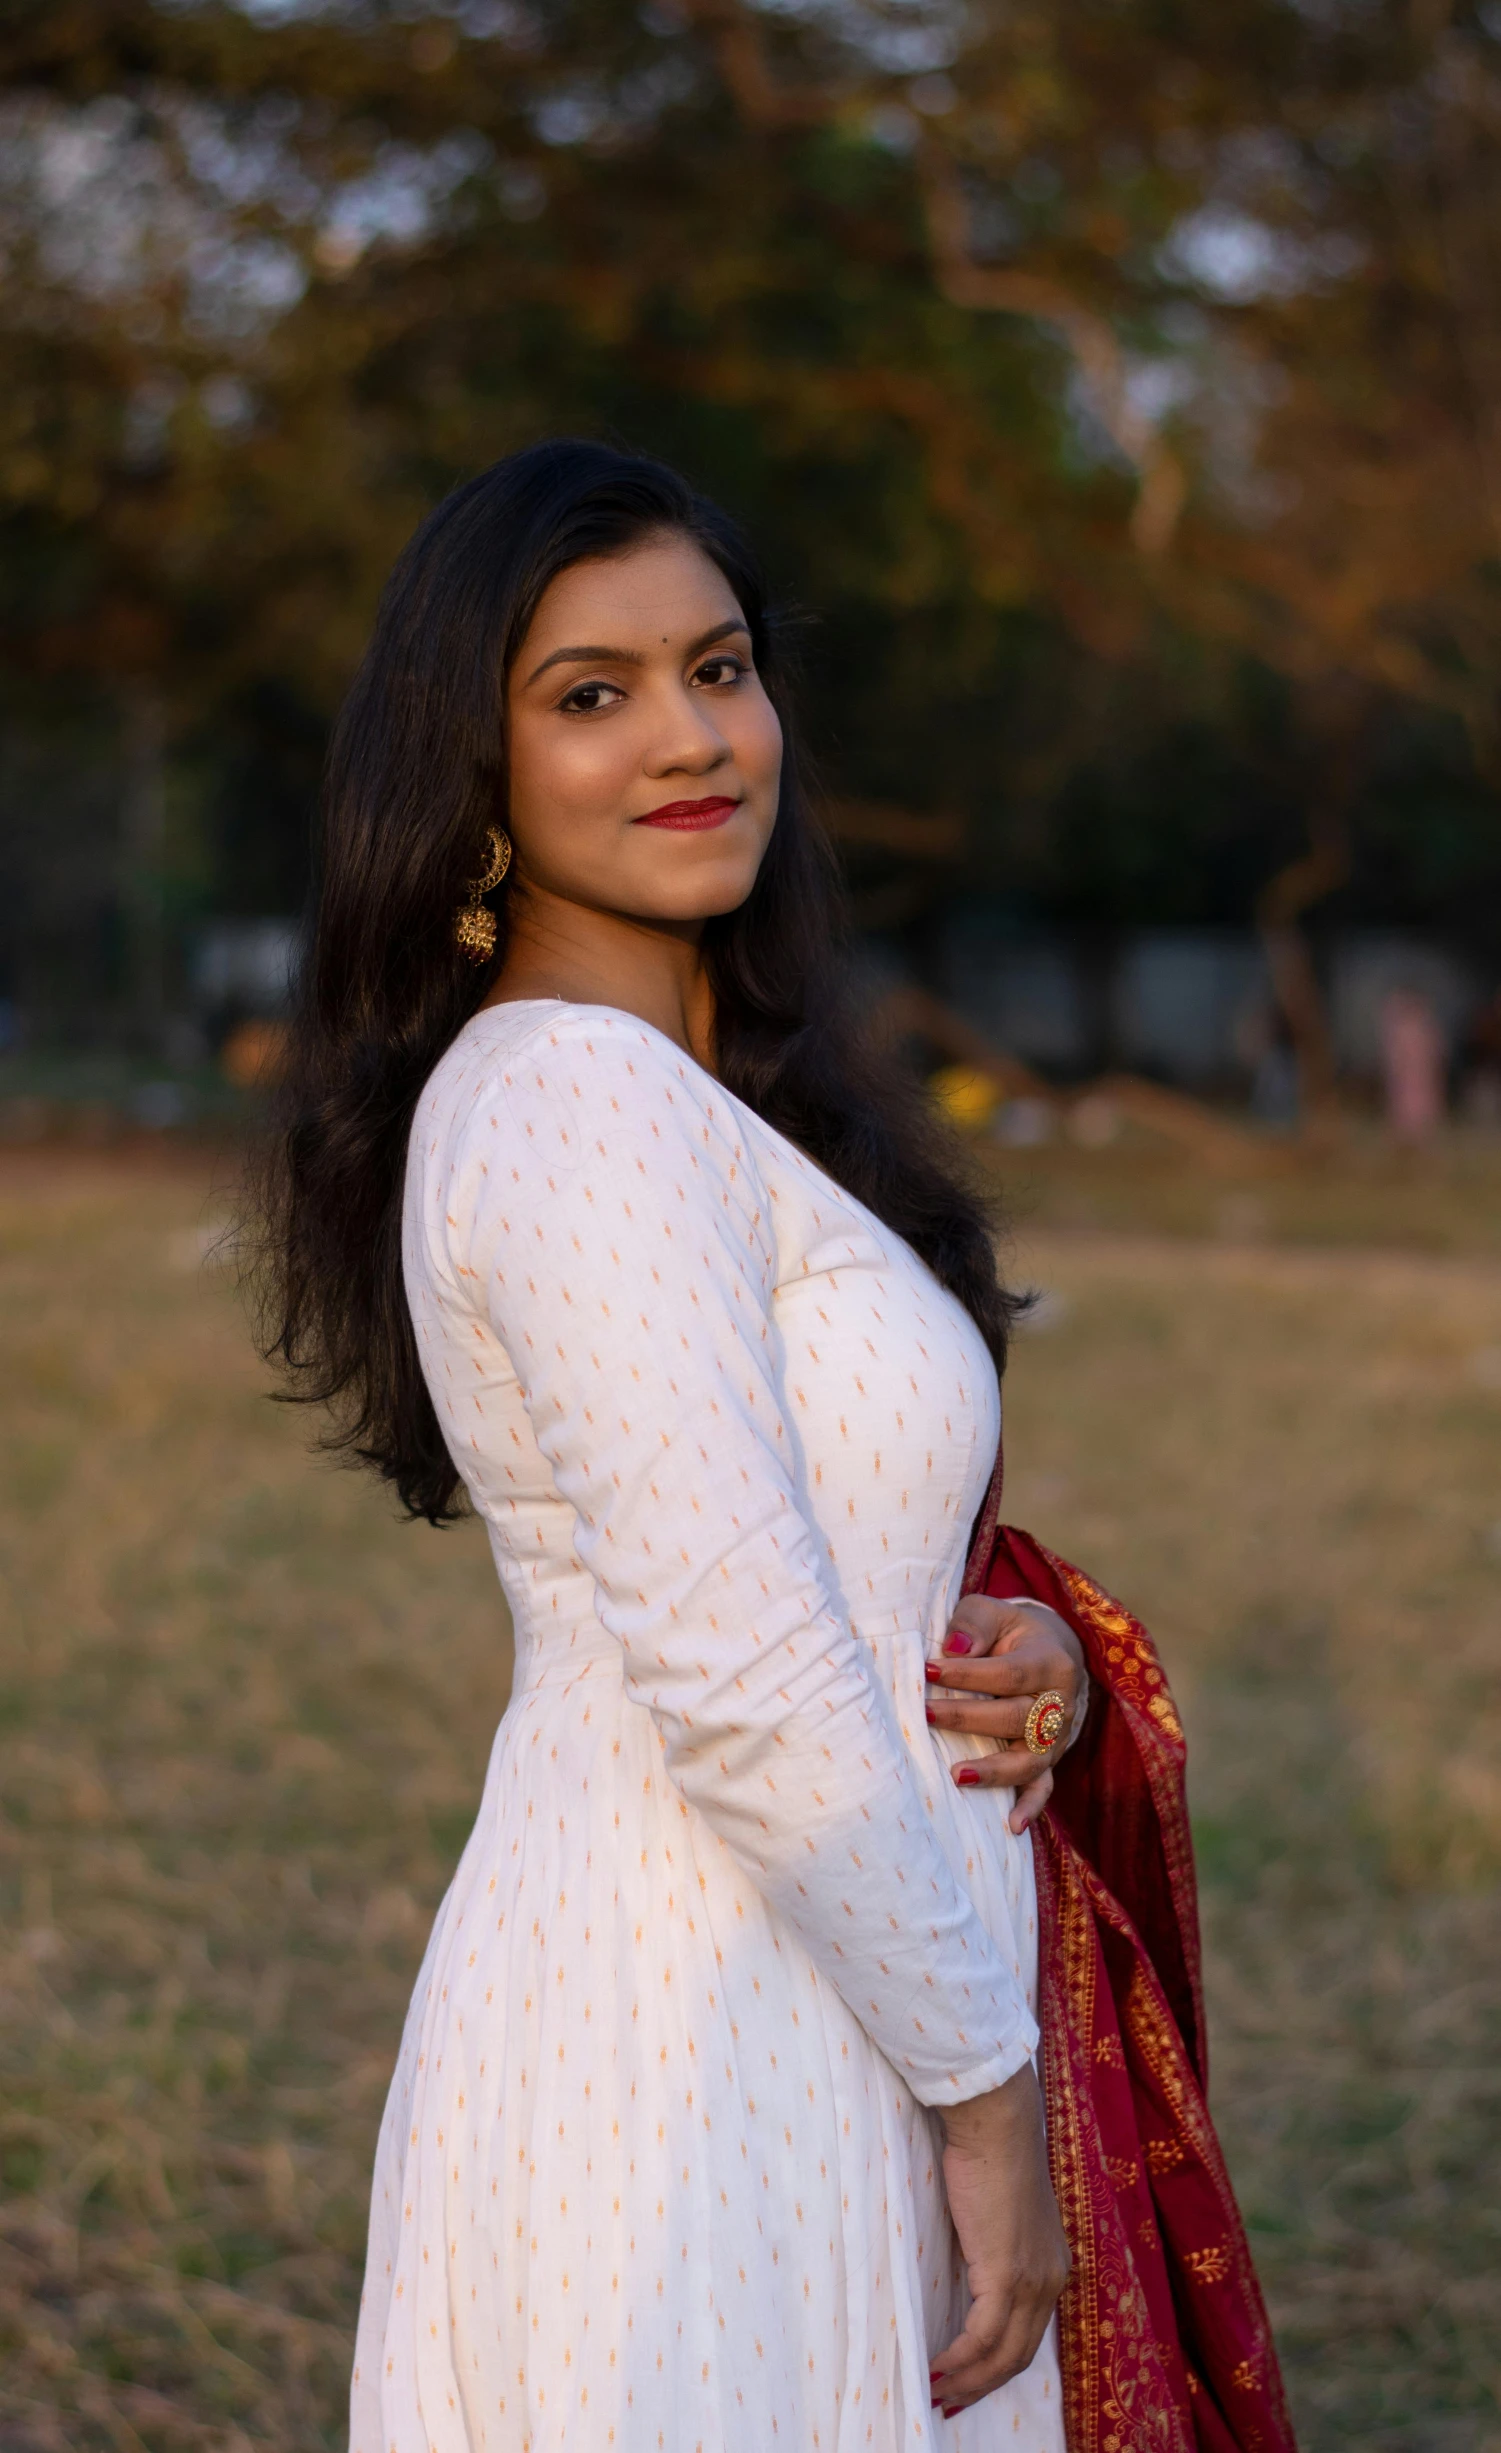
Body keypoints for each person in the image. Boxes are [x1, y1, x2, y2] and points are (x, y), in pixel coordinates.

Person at [258, 440, 1142, 2451]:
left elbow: (832, 1570)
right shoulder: (575, 1099)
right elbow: (743, 1673)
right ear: (467, 770)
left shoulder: (708, 1108)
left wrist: (1025, 1661)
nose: (691, 737)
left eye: (719, 667)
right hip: (703, 2035)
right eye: (592, 692)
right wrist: (985, 2098)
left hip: (839, 1980)